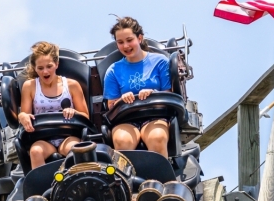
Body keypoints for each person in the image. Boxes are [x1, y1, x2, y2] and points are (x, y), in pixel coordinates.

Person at [103, 16, 172, 157]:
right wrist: (122, 99)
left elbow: (169, 93)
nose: (126, 46)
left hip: (155, 115)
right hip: (127, 119)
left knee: (156, 138)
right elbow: (111, 105)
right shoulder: (113, 70)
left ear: (139, 38)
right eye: (120, 42)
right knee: (122, 142)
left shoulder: (160, 62)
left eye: (129, 40)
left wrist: (153, 92)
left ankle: (162, 177)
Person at [17, 41, 89, 170]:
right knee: (35, 151)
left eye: (49, 66)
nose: (45, 71)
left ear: (56, 64)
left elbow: (85, 116)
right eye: (40, 68)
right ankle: (41, 188)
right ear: (35, 68)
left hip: (68, 135)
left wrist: (73, 112)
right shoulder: (29, 86)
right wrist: (22, 116)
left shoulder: (72, 85)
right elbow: (25, 113)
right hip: (43, 138)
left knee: (74, 150)